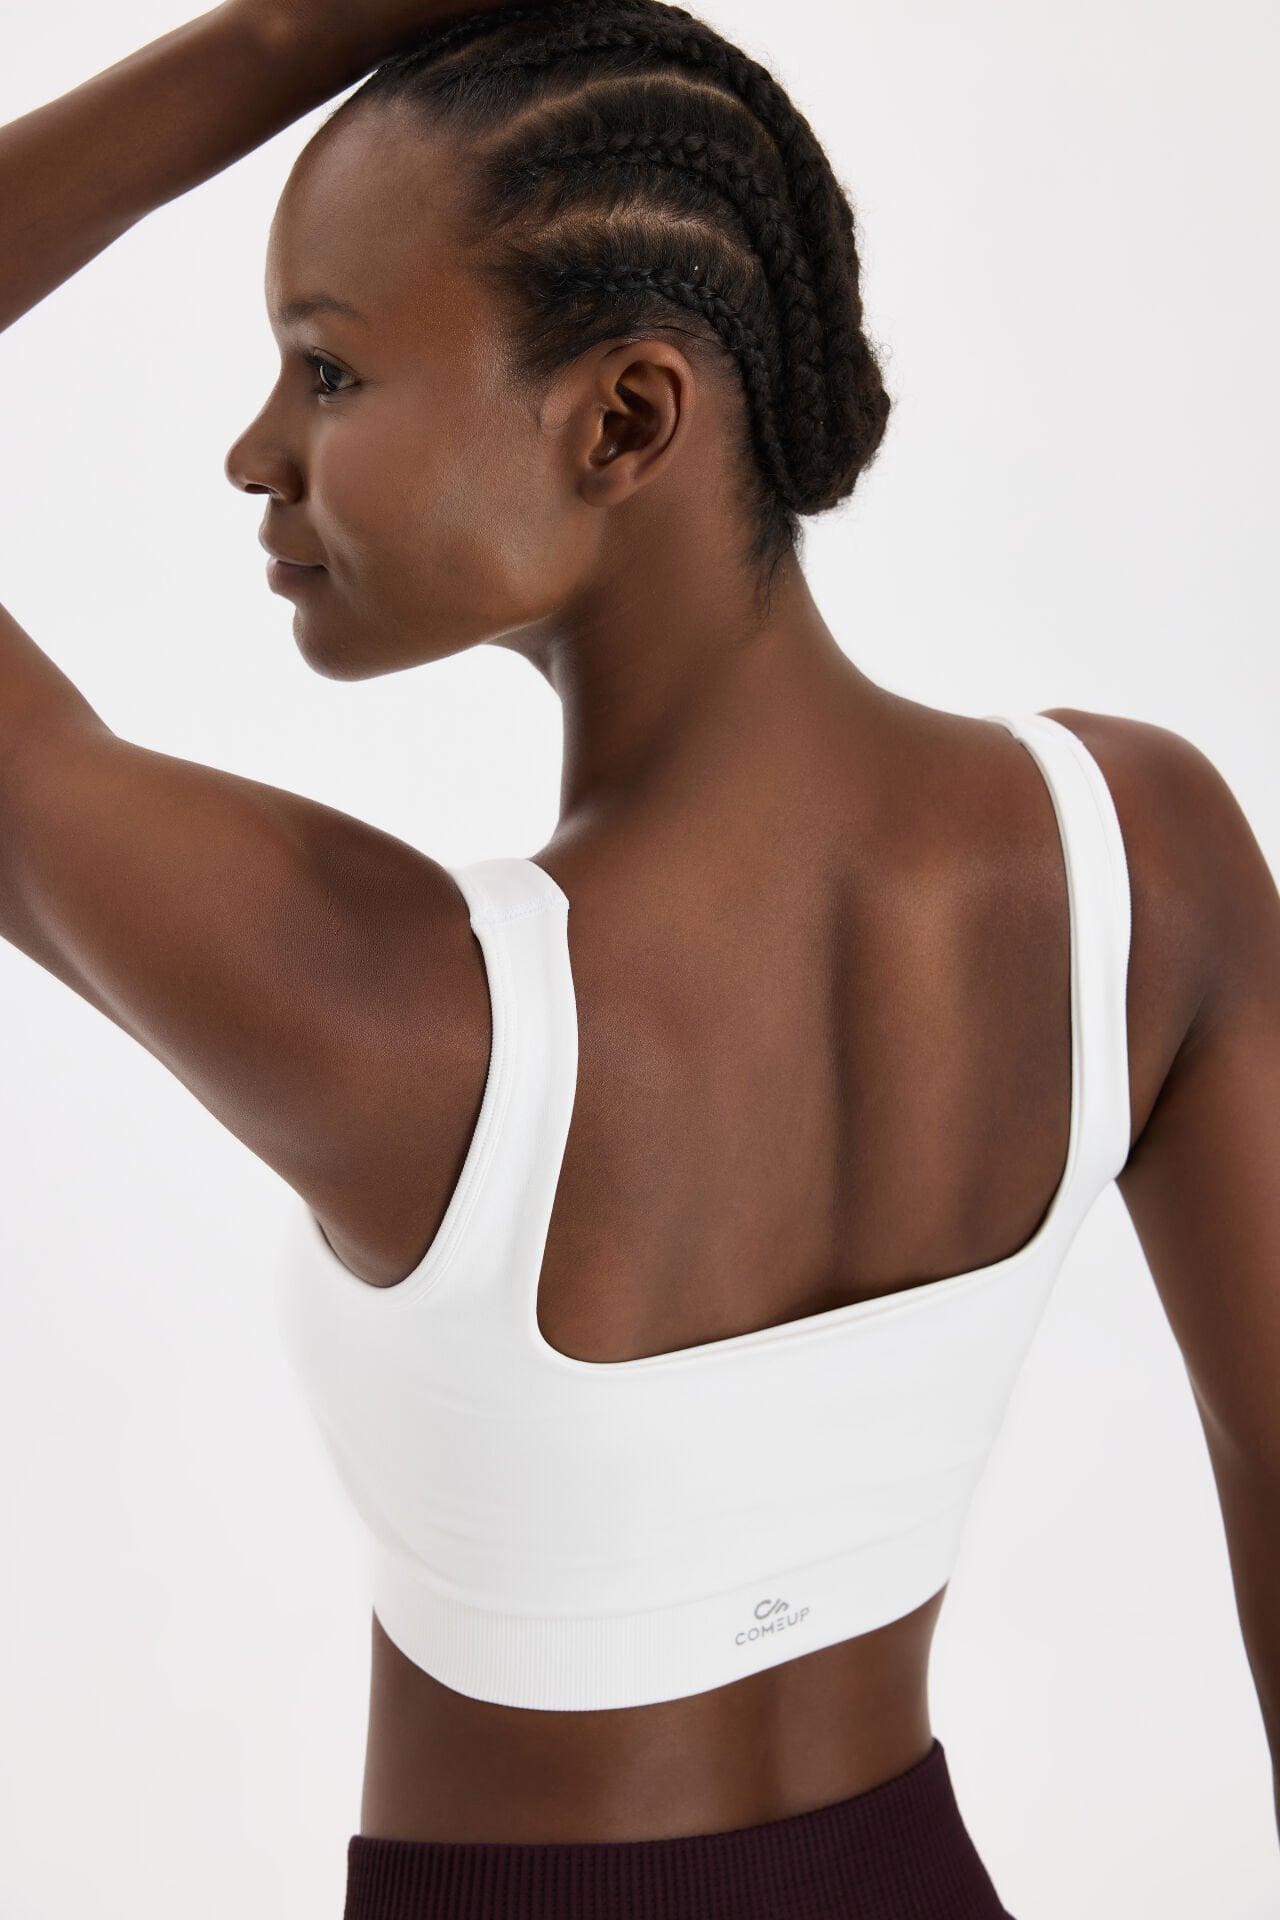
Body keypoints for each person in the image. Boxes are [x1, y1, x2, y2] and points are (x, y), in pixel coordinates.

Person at [1, 2, 1276, 1915]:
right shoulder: (1140, 856)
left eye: (328, 371)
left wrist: (283, 34)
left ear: (623, 420)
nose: (256, 452)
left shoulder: (402, 1014)